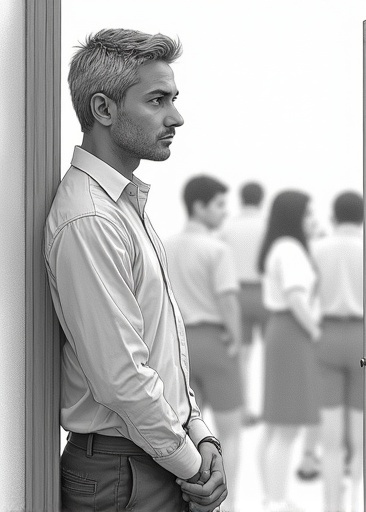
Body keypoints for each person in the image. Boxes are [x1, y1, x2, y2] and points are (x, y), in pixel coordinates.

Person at [44, 29, 227, 512]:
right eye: (157, 100)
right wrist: (193, 467)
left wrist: (201, 434)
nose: (177, 116)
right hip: (123, 475)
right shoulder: (91, 219)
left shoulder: (124, 204)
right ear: (103, 110)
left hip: (147, 460)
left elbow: (163, 347)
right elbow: (122, 377)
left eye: (174, 98)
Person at [164, 175, 244, 512]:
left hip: (176, 344)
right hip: (215, 342)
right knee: (229, 433)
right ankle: (229, 503)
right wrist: (237, 341)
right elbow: (228, 301)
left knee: (185, 433)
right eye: (219, 205)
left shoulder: (163, 244)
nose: (225, 213)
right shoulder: (217, 249)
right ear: (200, 206)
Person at [257, 190, 321, 512]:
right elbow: (297, 299)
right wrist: (316, 331)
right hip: (293, 333)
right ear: (295, 217)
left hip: (280, 331)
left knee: (275, 426)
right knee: (287, 429)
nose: (313, 221)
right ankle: (277, 501)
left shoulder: (279, 247)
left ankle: (273, 495)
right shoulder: (292, 250)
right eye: (308, 215)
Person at [312, 191, 364, 512]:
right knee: (360, 439)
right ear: (361, 216)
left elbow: (304, 298)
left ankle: (332, 507)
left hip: (327, 337)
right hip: (363, 338)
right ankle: (359, 503)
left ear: (334, 214)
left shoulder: (316, 249)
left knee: (329, 442)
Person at [219, 181, 268, 425]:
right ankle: (273, 410)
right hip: (265, 294)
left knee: (242, 356)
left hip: (237, 294)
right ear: (261, 199)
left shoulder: (228, 227)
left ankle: (245, 409)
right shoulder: (268, 225)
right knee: (272, 355)